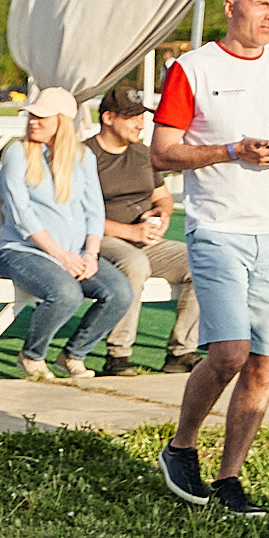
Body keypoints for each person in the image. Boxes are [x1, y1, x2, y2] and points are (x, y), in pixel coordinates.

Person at [151, 0, 269, 516]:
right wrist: (231, 151)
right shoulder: (194, 68)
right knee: (229, 352)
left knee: (263, 363)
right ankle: (181, 448)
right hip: (218, 226)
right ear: (231, 7)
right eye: (261, 4)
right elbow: (162, 152)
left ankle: (230, 479)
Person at [0, 88, 132, 379]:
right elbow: (21, 215)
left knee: (119, 292)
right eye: (32, 115)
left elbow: (95, 211)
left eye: (42, 117)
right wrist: (61, 256)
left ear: (62, 122)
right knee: (65, 293)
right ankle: (32, 356)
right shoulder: (17, 152)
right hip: (21, 252)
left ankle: (73, 354)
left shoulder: (82, 157)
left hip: (74, 253)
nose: (33, 121)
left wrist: (91, 254)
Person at [88, 86, 200, 375]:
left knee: (202, 261)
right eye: (132, 117)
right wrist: (130, 232)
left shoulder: (142, 153)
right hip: (98, 241)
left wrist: (162, 213)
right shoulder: (84, 156)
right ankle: (118, 355)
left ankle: (181, 352)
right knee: (135, 264)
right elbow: (75, 216)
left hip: (143, 240)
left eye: (142, 116)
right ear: (109, 118)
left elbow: (161, 195)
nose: (141, 123)